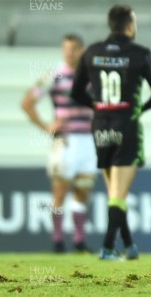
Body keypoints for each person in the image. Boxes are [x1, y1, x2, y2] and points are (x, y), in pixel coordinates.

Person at [71, 4, 151, 260]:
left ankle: (129, 245)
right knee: (118, 194)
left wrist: (99, 107)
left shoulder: (91, 52)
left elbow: (76, 92)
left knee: (114, 191)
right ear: (129, 25)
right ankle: (107, 248)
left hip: (100, 126)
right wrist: (139, 110)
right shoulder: (140, 54)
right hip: (126, 126)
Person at [21, 34, 97, 253]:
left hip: (88, 141)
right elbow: (27, 102)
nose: (69, 52)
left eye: (74, 48)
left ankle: (79, 241)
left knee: (83, 190)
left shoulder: (91, 76)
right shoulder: (53, 76)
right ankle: (57, 241)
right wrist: (46, 127)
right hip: (65, 141)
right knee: (60, 192)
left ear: (82, 50)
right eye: (66, 48)